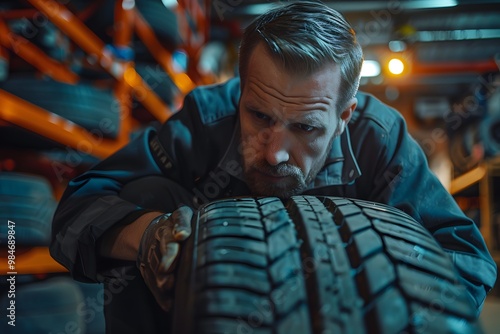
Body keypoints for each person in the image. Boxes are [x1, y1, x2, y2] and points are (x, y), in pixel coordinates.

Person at [50, 1, 497, 332]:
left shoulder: (379, 138)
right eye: (260, 117)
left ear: (344, 117)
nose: (274, 153)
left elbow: (467, 261)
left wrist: (388, 293)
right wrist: (146, 235)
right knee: (148, 198)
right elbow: (76, 212)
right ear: (241, 92)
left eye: (305, 128)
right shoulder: (208, 118)